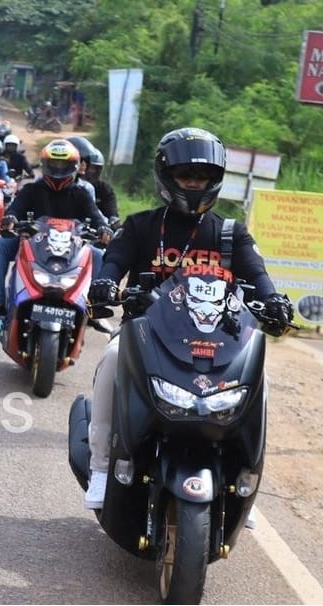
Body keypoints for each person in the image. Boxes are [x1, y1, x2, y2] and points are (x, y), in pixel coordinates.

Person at [83, 127, 294, 509]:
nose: (194, 184)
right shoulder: (141, 226)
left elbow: (258, 277)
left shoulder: (231, 234)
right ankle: (101, 469)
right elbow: (113, 262)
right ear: (167, 176)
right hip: (146, 333)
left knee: (261, 378)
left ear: (215, 180)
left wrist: (274, 301)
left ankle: (245, 477)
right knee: (111, 361)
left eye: (203, 176)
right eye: (186, 175)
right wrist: (103, 284)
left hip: (219, 341)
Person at [0, 139, 111, 318]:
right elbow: (15, 209)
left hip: (73, 246)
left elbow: (96, 217)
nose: (58, 168)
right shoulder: (32, 189)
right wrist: (11, 218)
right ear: (46, 163)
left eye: (63, 163)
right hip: (33, 242)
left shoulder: (81, 193)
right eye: (54, 163)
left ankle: (93, 306)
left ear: (74, 166)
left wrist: (103, 228)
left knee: (99, 255)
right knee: (0, 244)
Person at [83, 148, 120, 229]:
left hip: (98, 232)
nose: (91, 171)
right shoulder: (70, 189)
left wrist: (113, 221)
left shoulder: (104, 189)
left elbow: (112, 213)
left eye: (95, 168)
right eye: (89, 167)